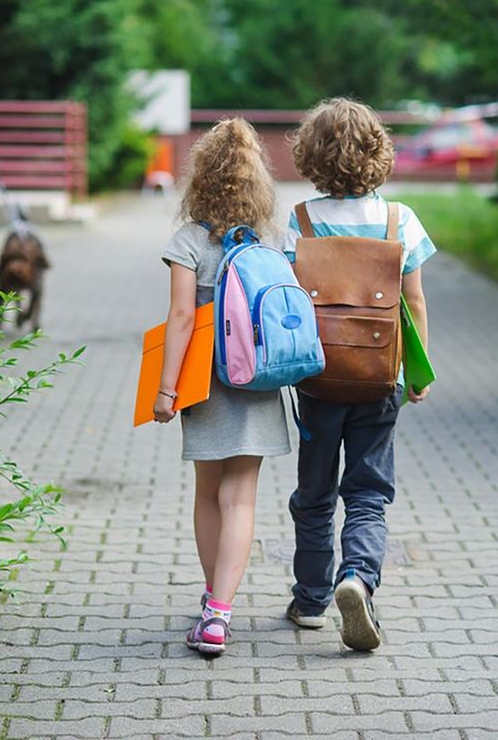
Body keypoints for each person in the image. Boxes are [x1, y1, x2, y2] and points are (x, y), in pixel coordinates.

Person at [283, 98, 435, 651]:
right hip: (379, 378)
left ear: (311, 155)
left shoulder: (298, 220)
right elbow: (413, 304)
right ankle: (359, 577)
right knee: (369, 490)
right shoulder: (400, 219)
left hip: (319, 377)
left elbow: (287, 304)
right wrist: (416, 372)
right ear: (378, 153)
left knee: (314, 492)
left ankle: (310, 600)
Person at [154, 118, 291, 656]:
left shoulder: (187, 240)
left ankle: (213, 604)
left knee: (208, 493)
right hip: (259, 379)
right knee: (242, 497)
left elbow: (182, 318)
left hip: (206, 383)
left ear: (200, 178)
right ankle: (220, 613)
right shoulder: (272, 239)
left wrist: (167, 391)